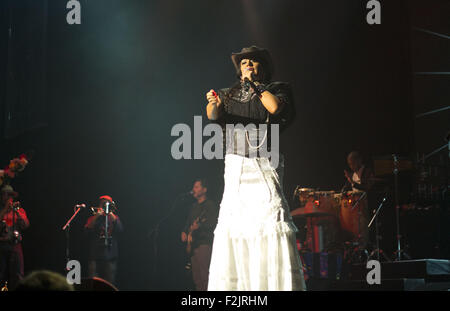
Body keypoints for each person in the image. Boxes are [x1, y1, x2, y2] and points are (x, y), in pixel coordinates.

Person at [205, 46, 306, 290]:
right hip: (236, 166)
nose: (248, 64)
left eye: (253, 61)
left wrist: (254, 85)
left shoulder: (277, 89)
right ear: (238, 71)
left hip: (264, 163)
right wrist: (213, 103)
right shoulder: (228, 94)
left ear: (263, 66)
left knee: (271, 220)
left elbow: (275, 108)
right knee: (236, 225)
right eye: (243, 63)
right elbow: (212, 115)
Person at [181, 179, 219, 291]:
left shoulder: (210, 205)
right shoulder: (193, 207)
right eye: (194, 187)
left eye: (197, 187)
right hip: (193, 245)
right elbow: (188, 222)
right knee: (196, 278)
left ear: (204, 190)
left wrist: (200, 226)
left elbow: (212, 223)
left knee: (205, 276)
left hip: (204, 243)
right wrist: (184, 231)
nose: (194, 189)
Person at [84, 195, 123, 286]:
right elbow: (87, 231)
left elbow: (120, 229)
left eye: (107, 203)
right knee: (93, 282)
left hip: (110, 255)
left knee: (110, 282)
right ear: (100, 205)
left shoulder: (114, 217)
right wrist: (96, 216)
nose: (105, 205)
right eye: (103, 203)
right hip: (95, 255)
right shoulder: (94, 218)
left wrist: (110, 213)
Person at [342, 151, 375, 249]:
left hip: (365, 204)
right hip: (355, 205)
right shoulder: (353, 174)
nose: (351, 166)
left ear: (359, 161)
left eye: (353, 163)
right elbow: (348, 187)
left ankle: (365, 247)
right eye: (350, 164)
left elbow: (368, 188)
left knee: (364, 228)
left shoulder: (367, 171)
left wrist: (353, 182)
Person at [0, 185, 30, 290]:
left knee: (17, 275)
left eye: (10, 195)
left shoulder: (19, 210)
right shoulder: (1, 210)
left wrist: (16, 211)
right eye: (5, 195)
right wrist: (5, 209)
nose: (8, 197)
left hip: (15, 246)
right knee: (1, 274)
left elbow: (26, 225)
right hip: (1, 245)